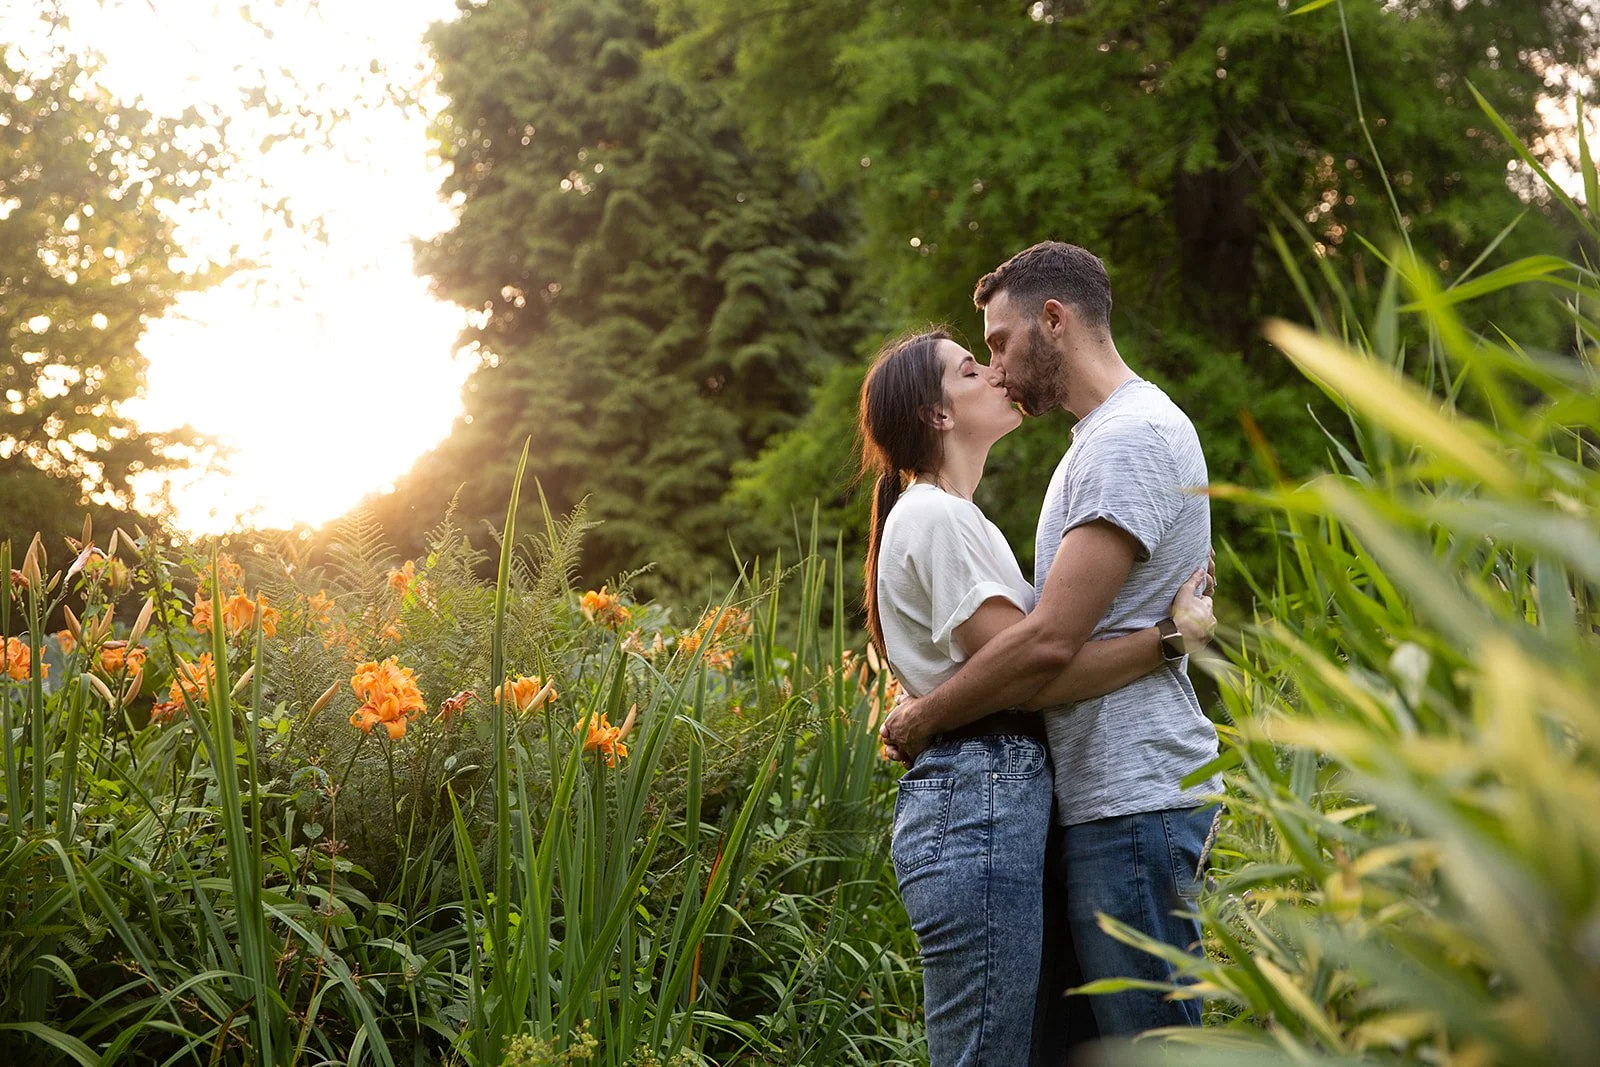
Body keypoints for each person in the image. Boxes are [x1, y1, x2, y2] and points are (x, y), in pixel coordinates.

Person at [880, 242, 1224, 1057]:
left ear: (1055, 321)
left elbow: (1044, 651)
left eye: (997, 343)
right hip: (1097, 803)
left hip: (1133, 799)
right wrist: (1167, 636)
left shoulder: (1128, 439)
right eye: (978, 358)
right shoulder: (1090, 447)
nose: (996, 366)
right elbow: (1037, 648)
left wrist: (924, 716)